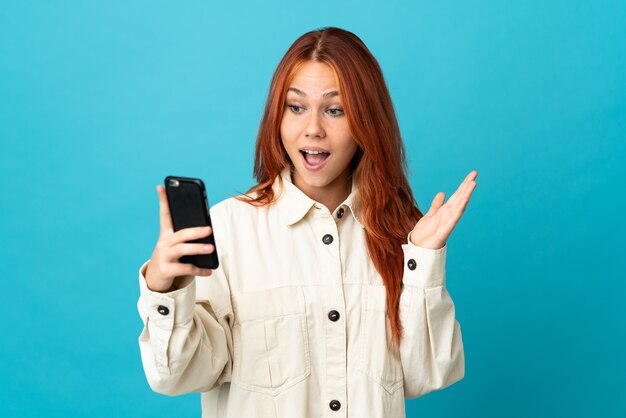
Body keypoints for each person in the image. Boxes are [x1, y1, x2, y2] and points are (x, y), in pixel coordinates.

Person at [136, 26, 477, 418]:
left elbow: (426, 376)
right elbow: (177, 376)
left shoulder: (400, 232)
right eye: (296, 107)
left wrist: (424, 258)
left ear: (367, 121)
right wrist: (165, 288)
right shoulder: (230, 227)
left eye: (335, 110)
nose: (312, 128)